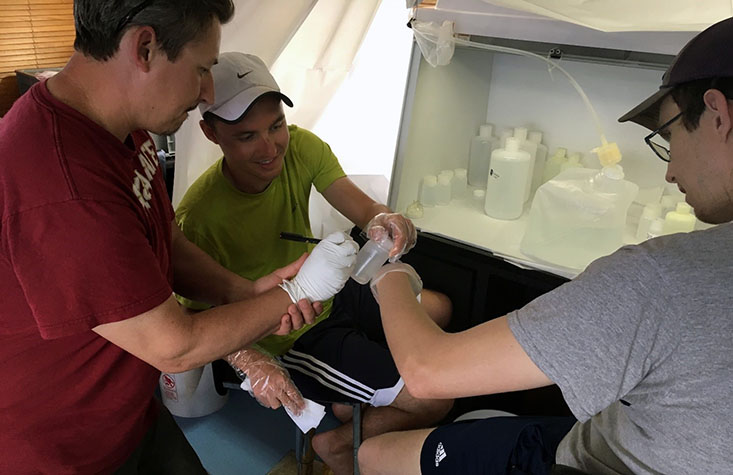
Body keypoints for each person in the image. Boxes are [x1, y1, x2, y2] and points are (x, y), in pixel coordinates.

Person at [357, 16, 733, 475]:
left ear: (718, 114)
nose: (670, 172)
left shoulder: (664, 279)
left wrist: (389, 273)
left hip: (589, 461)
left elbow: (426, 370)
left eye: (670, 136)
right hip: (626, 436)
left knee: (372, 455)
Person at [0, 2, 361, 474]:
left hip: (125, 414)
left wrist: (243, 291)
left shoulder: (121, 129)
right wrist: (298, 291)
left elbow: (161, 238)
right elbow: (175, 345)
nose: (207, 89)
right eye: (202, 68)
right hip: (62, 447)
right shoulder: (65, 188)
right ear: (145, 48)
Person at [175, 51, 454, 474]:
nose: (270, 148)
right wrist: (251, 360)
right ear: (211, 134)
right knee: (435, 396)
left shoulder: (301, 147)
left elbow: (364, 208)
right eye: (247, 137)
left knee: (440, 308)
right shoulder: (199, 217)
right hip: (290, 332)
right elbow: (195, 316)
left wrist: (384, 220)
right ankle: (336, 445)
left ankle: (355, 402)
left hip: (333, 291)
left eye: (276, 126)